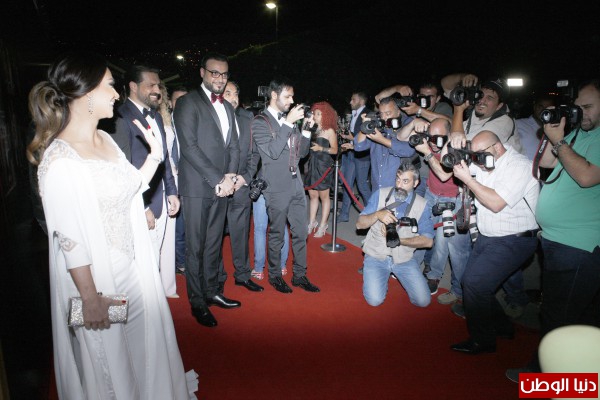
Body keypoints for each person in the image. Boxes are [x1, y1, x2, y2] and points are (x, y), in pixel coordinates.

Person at [27, 52, 193, 399]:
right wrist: (90, 299)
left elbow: (130, 188)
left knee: (141, 351)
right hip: (96, 284)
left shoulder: (106, 140)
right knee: (110, 364)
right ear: (86, 93)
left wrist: (155, 156)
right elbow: (69, 238)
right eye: (110, 86)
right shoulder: (59, 159)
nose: (117, 94)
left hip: (133, 271)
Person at [506, 79, 600, 381]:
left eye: (588, 107)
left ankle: (542, 378)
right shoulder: (579, 133)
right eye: (578, 107)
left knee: (558, 316)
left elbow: (586, 177)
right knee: (580, 315)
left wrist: (560, 142)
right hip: (559, 242)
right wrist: (555, 133)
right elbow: (546, 162)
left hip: (579, 245)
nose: (581, 113)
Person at [449, 130, 540, 354]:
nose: (476, 161)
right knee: (472, 284)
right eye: (474, 155)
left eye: (479, 155)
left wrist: (468, 179)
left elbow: (496, 203)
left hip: (515, 239)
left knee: (475, 284)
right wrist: (444, 149)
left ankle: (483, 341)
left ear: (497, 148)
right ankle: (502, 327)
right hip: (489, 236)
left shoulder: (519, 166)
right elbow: (447, 168)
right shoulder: (485, 159)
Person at [174, 52, 241, 328]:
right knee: (196, 246)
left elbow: (234, 145)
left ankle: (212, 291)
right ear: (202, 73)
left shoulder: (228, 108)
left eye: (224, 74)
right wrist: (218, 179)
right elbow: (189, 147)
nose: (220, 79)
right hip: (197, 187)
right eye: (215, 73)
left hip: (223, 187)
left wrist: (231, 176)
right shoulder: (187, 103)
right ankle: (197, 301)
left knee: (214, 243)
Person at [251, 78, 320, 294]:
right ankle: (274, 276)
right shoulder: (260, 121)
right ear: (274, 95)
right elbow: (272, 152)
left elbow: (302, 153)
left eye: (292, 96)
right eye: (287, 96)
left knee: (300, 233)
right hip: (276, 187)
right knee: (277, 234)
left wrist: (306, 130)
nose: (291, 101)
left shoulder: (289, 121)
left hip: (296, 184)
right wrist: (288, 123)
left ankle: (299, 275)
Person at [112, 65, 180, 272]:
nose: (157, 90)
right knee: (144, 268)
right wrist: (142, 207)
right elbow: (123, 171)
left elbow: (164, 158)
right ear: (133, 86)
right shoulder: (120, 118)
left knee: (157, 262)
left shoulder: (156, 116)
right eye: (151, 85)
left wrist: (171, 191)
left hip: (162, 200)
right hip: (142, 206)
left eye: (158, 85)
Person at [412, 118, 472, 304]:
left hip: (453, 200)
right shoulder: (431, 143)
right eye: (430, 136)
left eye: (438, 138)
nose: (432, 142)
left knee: (448, 246)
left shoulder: (456, 148)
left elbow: (445, 175)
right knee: (423, 233)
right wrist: (414, 121)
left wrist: (428, 153)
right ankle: (419, 270)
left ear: (449, 136)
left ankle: (457, 290)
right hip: (431, 194)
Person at [356, 164, 434, 307]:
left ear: (416, 183)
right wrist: (377, 215)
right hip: (376, 255)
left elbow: (428, 241)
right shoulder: (381, 194)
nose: (399, 185)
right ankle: (379, 280)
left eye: (405, 181)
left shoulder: (422, 205)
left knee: (423, 301)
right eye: (398, 179)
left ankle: (383, 278)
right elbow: (360, 224)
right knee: (374, 301)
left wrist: (400, 240)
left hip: (403, 258)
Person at [218, 81, 263, 292]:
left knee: (241, 234)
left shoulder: (247, 118)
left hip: (241, 187)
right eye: (228, 93)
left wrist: (244, 178)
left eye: (236, 93)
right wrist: (221, 180)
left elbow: (254, 154)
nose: (233, 98)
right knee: (215, 237)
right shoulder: (210, 118)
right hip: (217, 187)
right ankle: (217, 277)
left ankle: (242, 275)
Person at [442, 74, 523, 154]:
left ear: (499, 106)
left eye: (489, 98)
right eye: (481, 95)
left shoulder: (504, 122)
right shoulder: (476, 108)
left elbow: (460, 146)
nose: (482, 101)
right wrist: (462, 77)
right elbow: (445, 84)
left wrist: (458, 110)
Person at [352, 96, 417, 191]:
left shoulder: (407, 125)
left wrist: (382, 140)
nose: (384, 117)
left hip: (398, 187)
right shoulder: (377, 126)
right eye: (381, 114)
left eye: (388, 113)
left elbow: (409, 151)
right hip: (377, 186)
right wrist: (364, 126)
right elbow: (359, 146)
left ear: (398, 112)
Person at [157, 82, 179, 297]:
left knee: (169, 233)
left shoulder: (167, 118)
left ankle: (167, 285)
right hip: (154, 179)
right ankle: (153, 285)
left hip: (172, 177)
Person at [306, 101, 338, 237]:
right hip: (312, 164)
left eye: (319, 114)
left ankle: (323, 224)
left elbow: (335, 150)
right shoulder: (311, 129)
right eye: (315, 113)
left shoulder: (329, 131)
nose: (315, 116)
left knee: (324, 196)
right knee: (313, 195)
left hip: (324, 165)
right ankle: (312, 222)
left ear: (326, 115)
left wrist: (321, 148)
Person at [338, 91, 372, 222]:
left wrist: (352, 137)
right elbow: (354, 133)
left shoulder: (368, 114)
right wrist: (346, 135)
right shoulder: (353, 114)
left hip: (362, 156)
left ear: (361, 101)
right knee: (347, 184)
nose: (350, 102)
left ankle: (371, 214)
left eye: (353, 99)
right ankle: (344, 214)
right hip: (350, 153)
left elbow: (366, 137)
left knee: (362, 185)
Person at [170, 86, 188, 274]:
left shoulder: (193, 122)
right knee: (179, 226)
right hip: (172, 181)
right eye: (178, 100)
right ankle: (180, 263)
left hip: (191, 181)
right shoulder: (165, 123)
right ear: (170, 103)